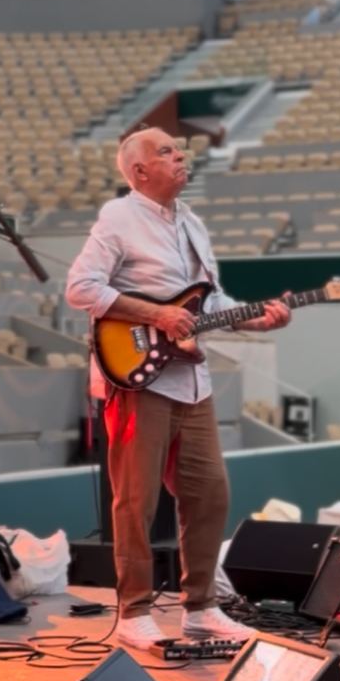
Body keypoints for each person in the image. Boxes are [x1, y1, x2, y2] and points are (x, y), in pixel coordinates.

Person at [66, 128, 292, 650]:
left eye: (178, 149)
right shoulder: (118, 218)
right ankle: (133, 612)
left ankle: (201, 608)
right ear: (139, 171)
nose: (179, 155)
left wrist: (257, 318)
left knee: (209, 494)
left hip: (192, 381)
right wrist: (157, 315)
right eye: (166, 151)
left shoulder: (191, 222)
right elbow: (81, 288)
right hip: (138, 379)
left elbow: (208, 304)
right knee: (136, 501)